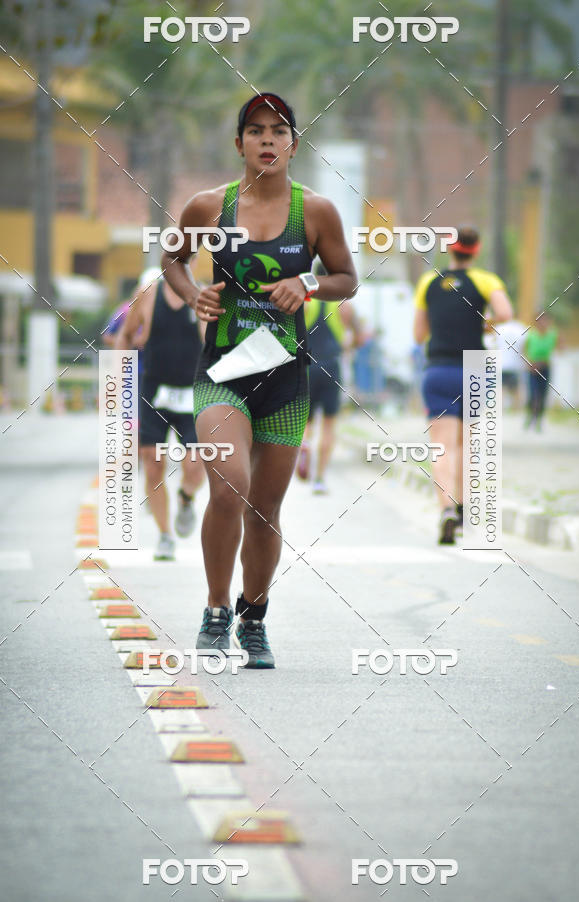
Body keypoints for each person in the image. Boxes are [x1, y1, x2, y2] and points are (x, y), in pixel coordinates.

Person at [162, 92, 357, 667]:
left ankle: (254, 617)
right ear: (239, 143)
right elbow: (172, 259)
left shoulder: (315, 212)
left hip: (284, 376)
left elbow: (346, 276)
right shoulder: (208, 207)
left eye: (278, 131)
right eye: (255, 130)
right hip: (222, 372)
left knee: (266, 509)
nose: (267, 140)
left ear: (294, 143)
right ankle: (216, 608)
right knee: (228, 487)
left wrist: (311, 286)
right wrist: (192, 292)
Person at [413, 226, 512, 544]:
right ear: (476, 250)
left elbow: (417, 335)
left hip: (438, 368)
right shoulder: (486, 281)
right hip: (473, 368)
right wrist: (484, 324)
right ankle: (464, 506)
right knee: (467, 445)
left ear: (450, 249)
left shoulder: (429, 282)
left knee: (442, 447)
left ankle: (446, 509)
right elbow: (506, 313)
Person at [117, 275, 205, 560]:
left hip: (191, 392)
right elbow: (126, 334)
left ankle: (186, 498)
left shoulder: (200, 295)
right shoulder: (148, 294)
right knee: (153, 464)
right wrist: (122, 377)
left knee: (195, 465)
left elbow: (213, 344)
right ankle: (165, 534)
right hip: (155, 392)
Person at [297, 261, 363, 493]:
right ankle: (320, 478)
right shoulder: (343, 305)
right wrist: (349, 345)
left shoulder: (305, 301)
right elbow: (360, 337)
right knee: (329, 424)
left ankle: (304, 444)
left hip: (306, 365)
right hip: (332, 366)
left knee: (306, 421)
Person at [523, 312, 559, 431]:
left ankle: (539, 421)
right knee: (533, 394)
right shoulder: (531, 334)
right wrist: (529, 363)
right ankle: (530, 416)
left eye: (545, 320)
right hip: (532, 368)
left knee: (543, 395)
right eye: (541, 320)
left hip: (545, 367)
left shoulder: (552, 334)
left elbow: (559, 348)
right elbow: (524, 350)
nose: (543, 323)